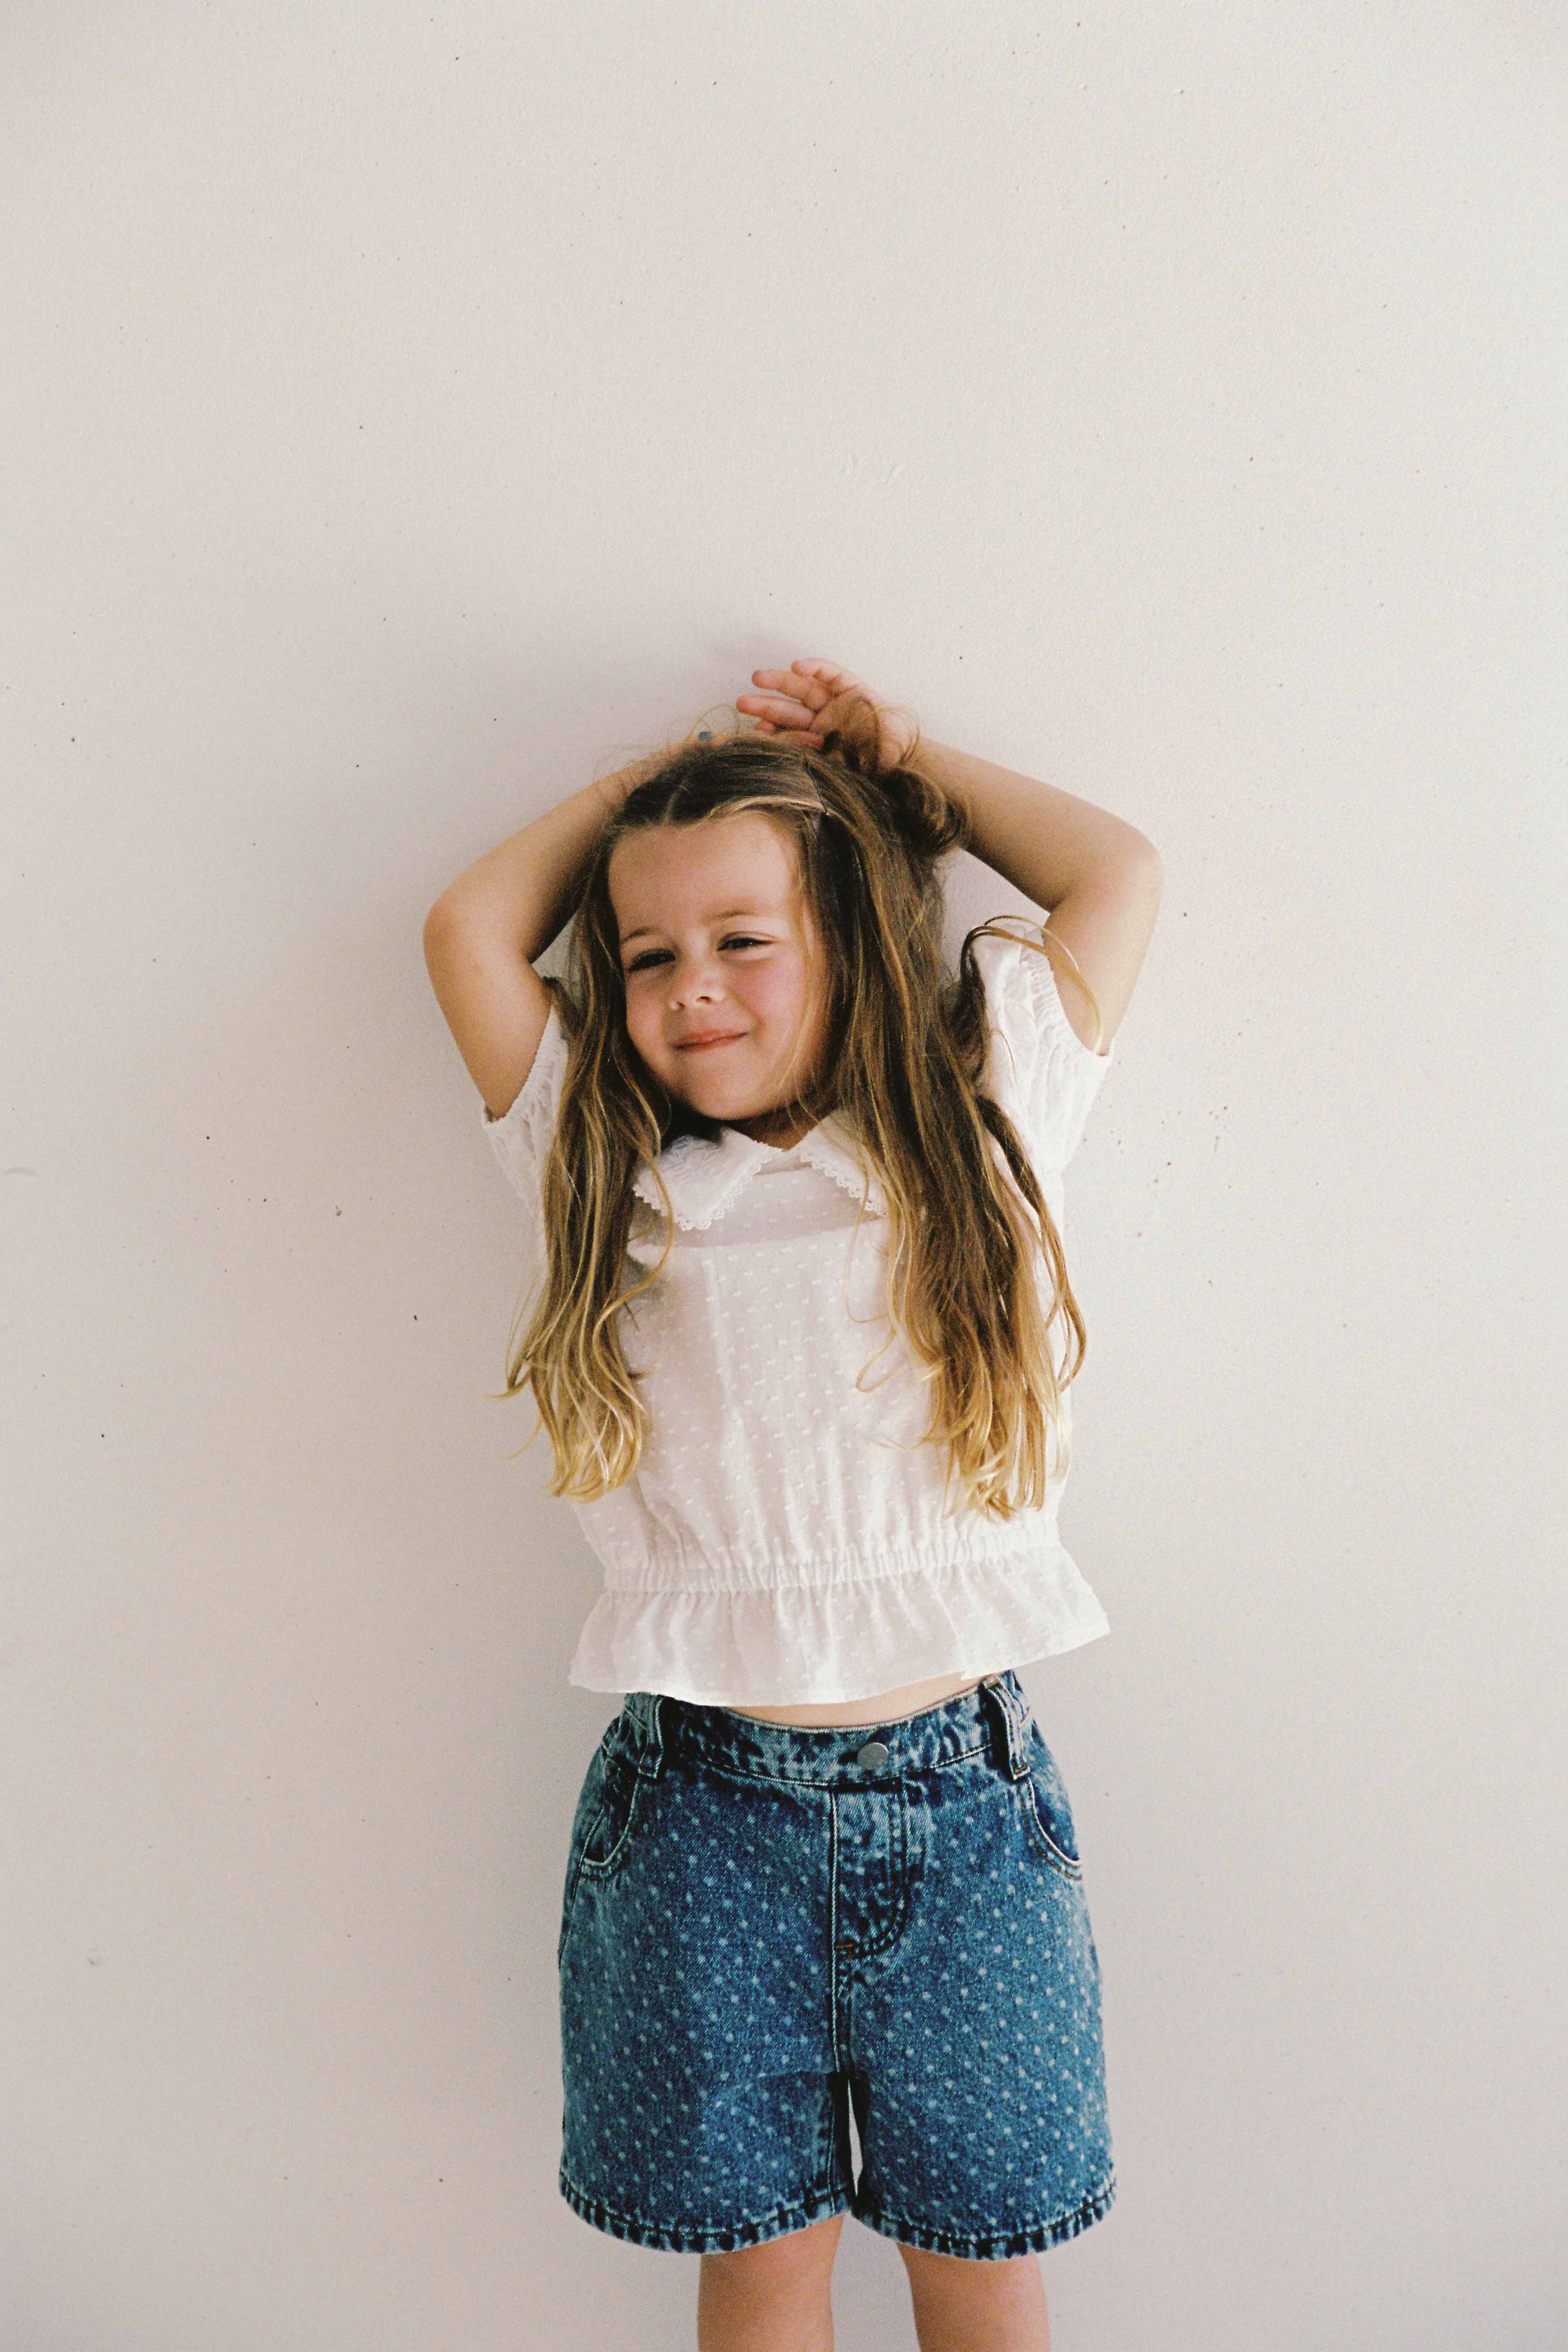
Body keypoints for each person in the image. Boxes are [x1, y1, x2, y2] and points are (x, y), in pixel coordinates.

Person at [423, 659, 1162, 2352]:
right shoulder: (606, 1179)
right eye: (649, 953)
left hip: (967, 1815)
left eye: (745, 937)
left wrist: (898, 766)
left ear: (858, 936)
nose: (691, 990)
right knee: (761, 2261)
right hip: (699, 1823)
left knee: (986, 2257)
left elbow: (1114, 875)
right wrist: (669, 780)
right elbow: (471, 931)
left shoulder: (980, 1142)